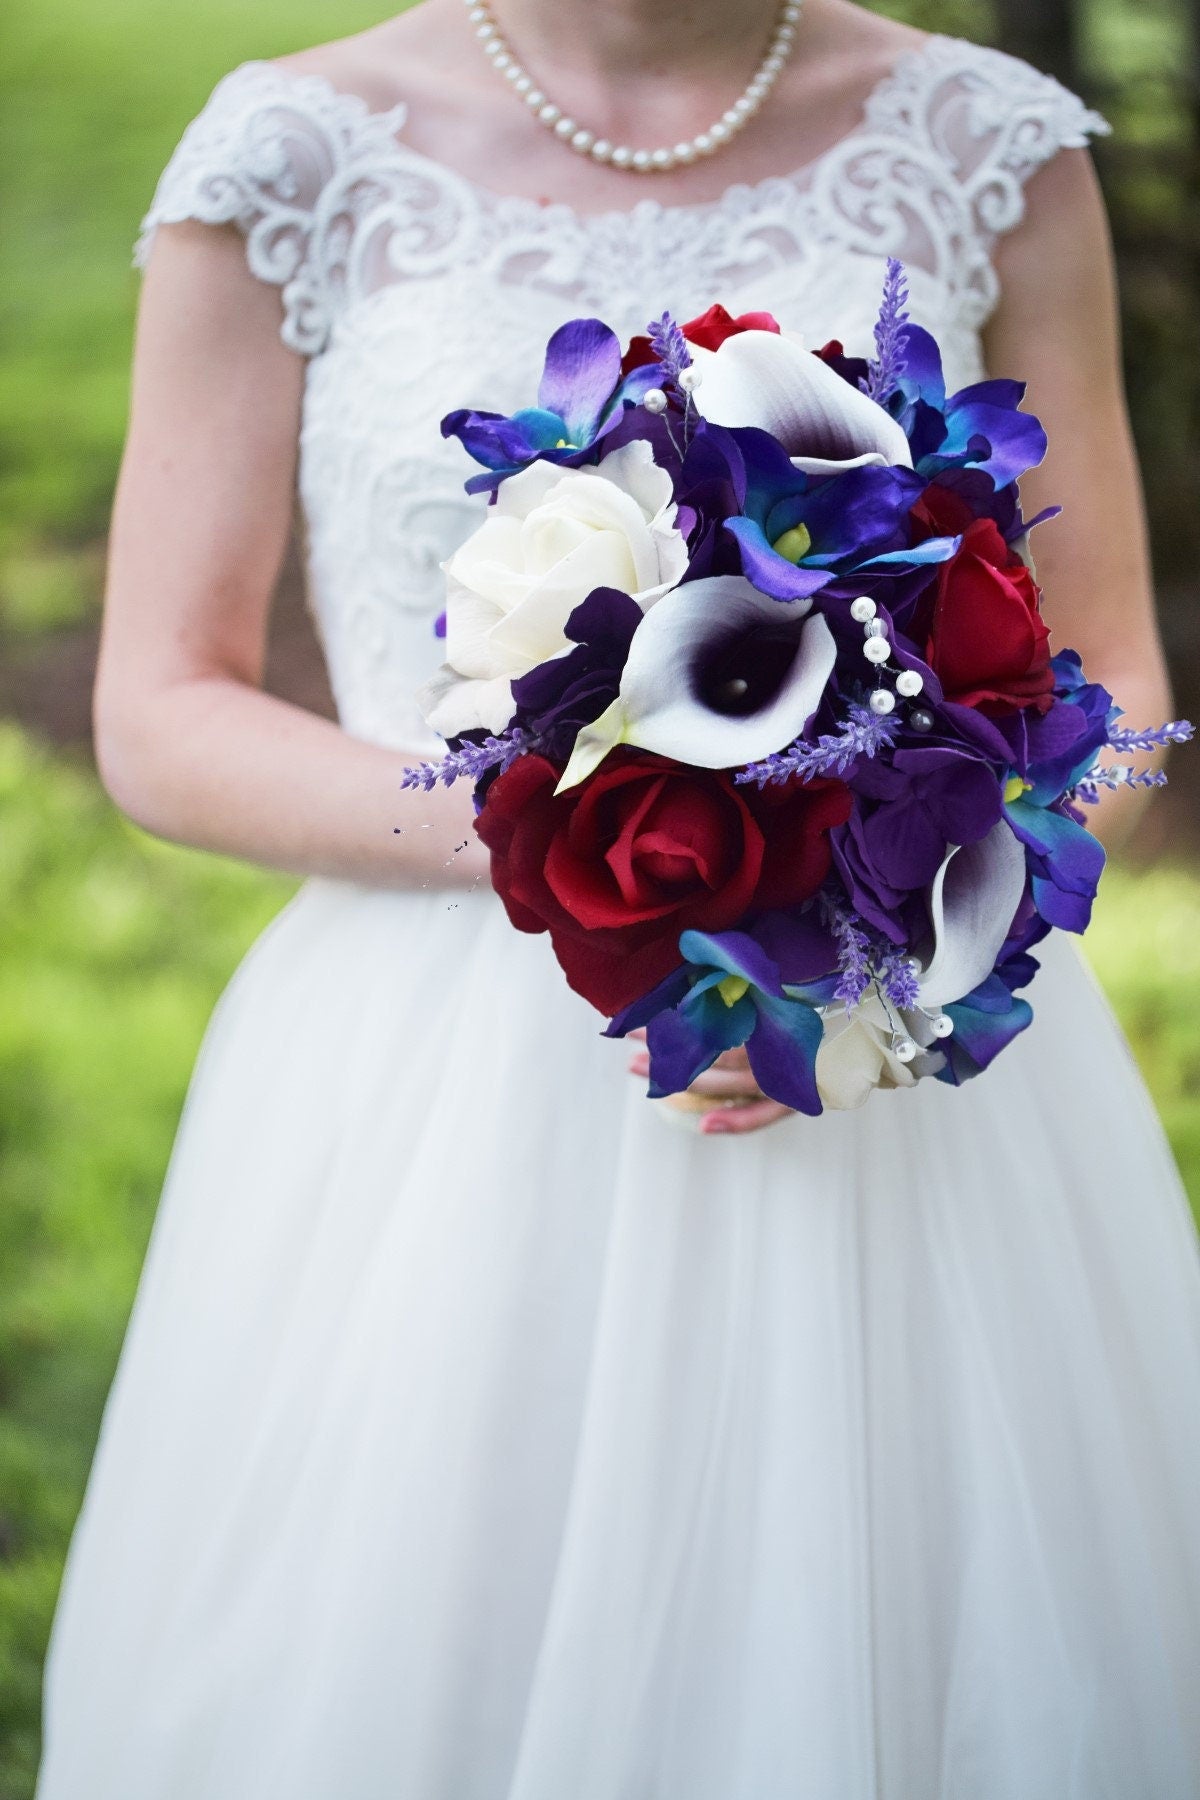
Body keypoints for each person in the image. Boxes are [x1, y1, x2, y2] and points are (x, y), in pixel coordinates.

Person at [36, 1, 1200, 1793]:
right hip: (432, 1098)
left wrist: (893, 908)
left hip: (881, 1048)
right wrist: (606, 861)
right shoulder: (290, 152)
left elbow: (1111, 671)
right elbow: (161, 709)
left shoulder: (991, 145)